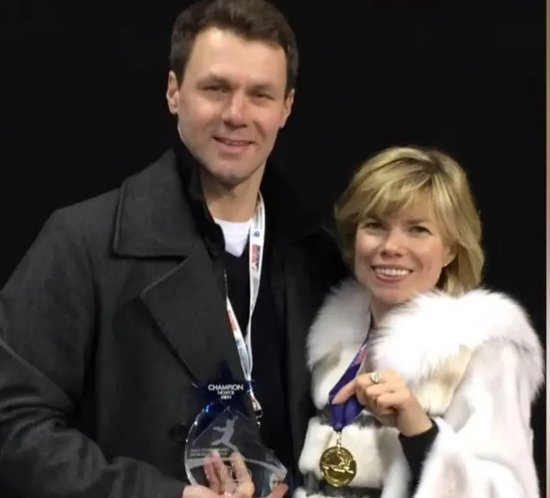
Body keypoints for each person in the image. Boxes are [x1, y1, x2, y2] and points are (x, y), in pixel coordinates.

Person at [0, 1, 345, 497]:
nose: (237, 114)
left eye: (260, 95)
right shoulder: (83, 244)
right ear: (173, 91)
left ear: (286, 108)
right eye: (216, 88)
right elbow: (13, 424)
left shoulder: (322, 260)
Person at [296, 146, 543, 498]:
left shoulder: (485, 351)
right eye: (375, 226)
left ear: (451, 249)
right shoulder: (330, 339)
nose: (391, 246)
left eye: (418, 229)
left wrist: (420, 432)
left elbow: (509, 492)